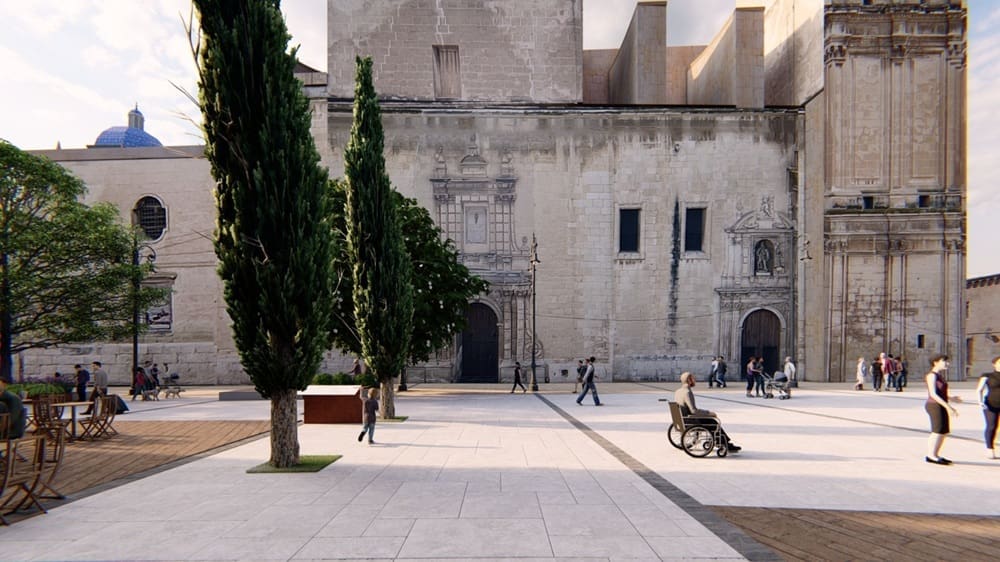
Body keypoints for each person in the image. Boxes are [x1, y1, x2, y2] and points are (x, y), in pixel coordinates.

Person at [674, 372, 740, 452]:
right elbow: (694, 411)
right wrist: (709, 413)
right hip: (691, 420)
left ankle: (721, 441)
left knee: (710, 421)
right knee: (713, 422)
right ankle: (724, 443)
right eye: (693, 378)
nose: (695, 380)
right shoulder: (687, 392)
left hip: (683, 419)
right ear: (689, 380)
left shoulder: (678, 391)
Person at [924, 354, 960, 465]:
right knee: (937, 431)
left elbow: (941, 393)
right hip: (934, 405)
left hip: (941, 405)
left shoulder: (939, 376)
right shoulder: (931, 376)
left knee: (943, 431)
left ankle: (935, 454)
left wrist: (951, 398)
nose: (947, 363)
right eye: (944, 361)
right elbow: (933, 394)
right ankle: (931, 455)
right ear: (936, 362)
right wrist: (949, 407)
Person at [976, 355, 1000, 459]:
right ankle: (990, 449)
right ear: (994, 364)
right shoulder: (987, 376)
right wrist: (980, 402)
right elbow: (979, 389)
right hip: (991, 404)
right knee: (992, 426)